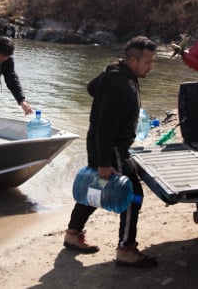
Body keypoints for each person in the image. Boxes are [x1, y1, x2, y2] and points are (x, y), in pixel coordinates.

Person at [63, 35, 158, 268]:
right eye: (148, 61)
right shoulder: (119, 83)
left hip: (103, 145)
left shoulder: (117, 74)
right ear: (133, 61)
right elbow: (105, 125)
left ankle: (73, 233)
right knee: (133, 196)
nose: (151, 66)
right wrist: (105, 162)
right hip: (111, 148)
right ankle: (126, 249)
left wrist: (109, 71)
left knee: (98, 185)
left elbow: (91, 87)